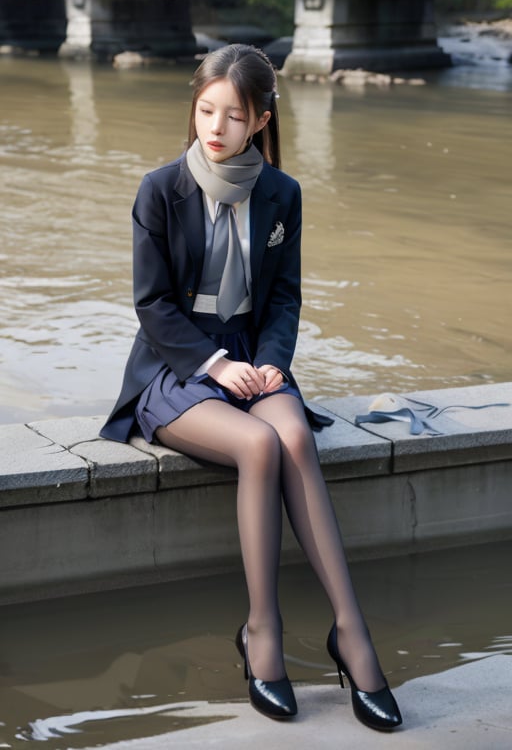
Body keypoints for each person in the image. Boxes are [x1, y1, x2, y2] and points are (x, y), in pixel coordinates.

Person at [100, 44, 402, 731]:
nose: (215, 127)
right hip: (176, 365)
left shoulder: (282, 194)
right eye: (206, 111)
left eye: (233, 116)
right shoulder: (161, 189)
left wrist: (269, 361)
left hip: (253, 356)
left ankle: (350, 632)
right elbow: (153, 306)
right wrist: (214, 366)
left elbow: (286, 299)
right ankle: (262, 633)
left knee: (293, 431)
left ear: (261, 119)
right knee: (260, 446)